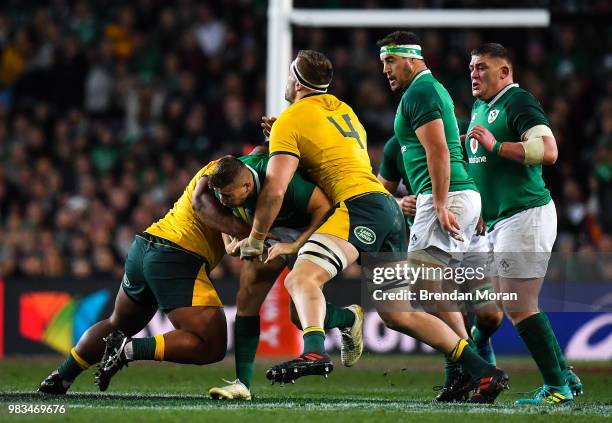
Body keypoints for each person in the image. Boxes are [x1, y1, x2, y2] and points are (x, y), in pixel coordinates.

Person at [240, 49, 507, 404]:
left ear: (296, 81)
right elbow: (332, 157)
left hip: (359, 208)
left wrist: (256, 237)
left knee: (300, 279)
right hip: (388, 211)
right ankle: (482, 370)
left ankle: (316, 351)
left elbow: (275, 187)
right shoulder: (343, 110)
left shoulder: (291, 119)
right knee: (398, 314)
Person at [38, 159, 253, 394]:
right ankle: (129, 349)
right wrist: (253, 233)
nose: (225, 199)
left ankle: (62, 377)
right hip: (176, 255)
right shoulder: (229, 169)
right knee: (212, 344)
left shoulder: (224, 170)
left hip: (145, 247)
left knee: (117, 323)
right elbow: (202, 203)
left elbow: (225, 230)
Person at [378, 31, 510, 403]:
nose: (385, 70)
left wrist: (436, 203)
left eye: (390, 61)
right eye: (382, 63)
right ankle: (469, 372)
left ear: (411, 58)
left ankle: (478, 369)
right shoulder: (426, 92)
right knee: (434, 291)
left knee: (425, 290)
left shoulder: (420, 92)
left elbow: (438, 150)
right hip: (457, 198)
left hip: (446, 199)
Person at [466, 43, 582, 405]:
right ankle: (565, 377)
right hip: (500, 219)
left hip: (526, 213)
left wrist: (497, 145)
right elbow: (481, 165)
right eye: (471, 67)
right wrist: (481, 207)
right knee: (509, 301)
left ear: (504, 72)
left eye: (482, 67)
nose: (474, 73)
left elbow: (548, 151)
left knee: (518, 304)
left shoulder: (518, 101)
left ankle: (557, 389)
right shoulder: (480, 106)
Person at [203, 153, 362, 400]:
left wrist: (296, 245)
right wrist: (229, 242)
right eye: (221, 195)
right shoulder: (227, 181)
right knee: (247, 295)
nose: (223, 200)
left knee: (299, 317)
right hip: (270, 231)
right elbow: (223, 216)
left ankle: (348, 317)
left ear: (247, 185)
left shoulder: (283, 182)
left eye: (227, 196)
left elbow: (323, 207)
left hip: (310, 229)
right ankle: (242, 384)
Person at [378, 133, 504, 401]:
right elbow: (381, 193)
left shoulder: (456, 128)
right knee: (437, 296)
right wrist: (401, 203)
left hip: (471, 230)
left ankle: (477, 346)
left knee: (490, 316)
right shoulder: (395, 145)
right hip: (434, 227)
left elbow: (484, 167)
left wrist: (481, 204)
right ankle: (463, 372)